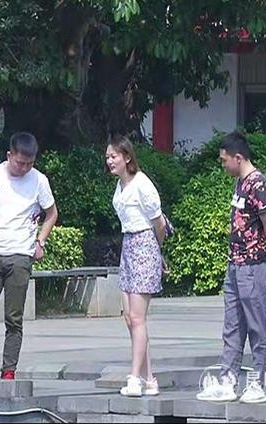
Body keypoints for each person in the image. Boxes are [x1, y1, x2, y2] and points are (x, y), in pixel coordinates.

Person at [197, 131, 266, 404]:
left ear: (238, 157)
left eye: (224, 160)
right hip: (235, 265)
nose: (222, 165)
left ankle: (257, 383)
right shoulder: (240, 182)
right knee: (232, 326)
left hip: (253, 266)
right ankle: (228, 381)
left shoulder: (258, 183)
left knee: (256, 325)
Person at [0, 132, 58, 380]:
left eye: (29, 163)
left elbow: (51, 213)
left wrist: (40, 241)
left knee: (14, 318)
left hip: (20, 255)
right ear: (9, 155)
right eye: (20, 163)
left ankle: (9, 369)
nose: (24, 168)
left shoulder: (39, 180)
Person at [105, 135, 166, 397]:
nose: (110, 161)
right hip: (128, 245)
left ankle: (134, 378)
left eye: (114, 156)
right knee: (130, 318)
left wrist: (157, 252)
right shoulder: (120, 186)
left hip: (144, 244)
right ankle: (149, 378)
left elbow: (159, 224)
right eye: (108, 157)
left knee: (138, 318)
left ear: (127, 157)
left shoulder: (142, 184)